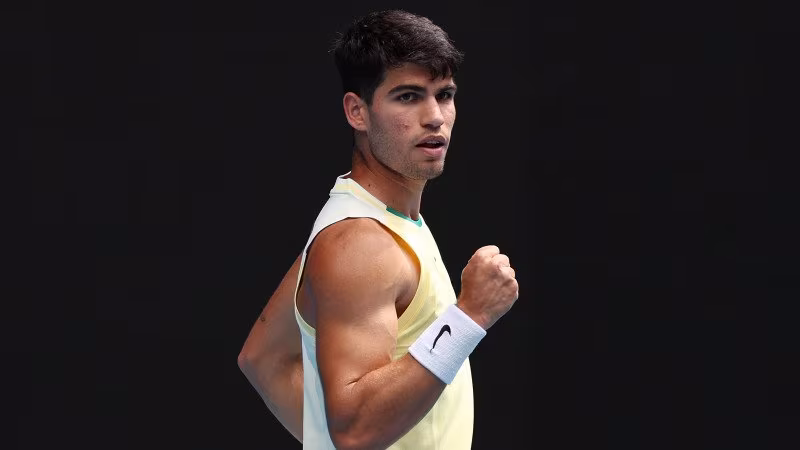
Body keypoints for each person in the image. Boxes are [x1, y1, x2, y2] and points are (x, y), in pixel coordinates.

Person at [237, 10, 519, 449]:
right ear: (358, 112)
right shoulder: (359, 245)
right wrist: (469, 317)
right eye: (408, 97)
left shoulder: (374, 221)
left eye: (444, 95)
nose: (435, 117)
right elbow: (355, 432)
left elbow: (263, 358)